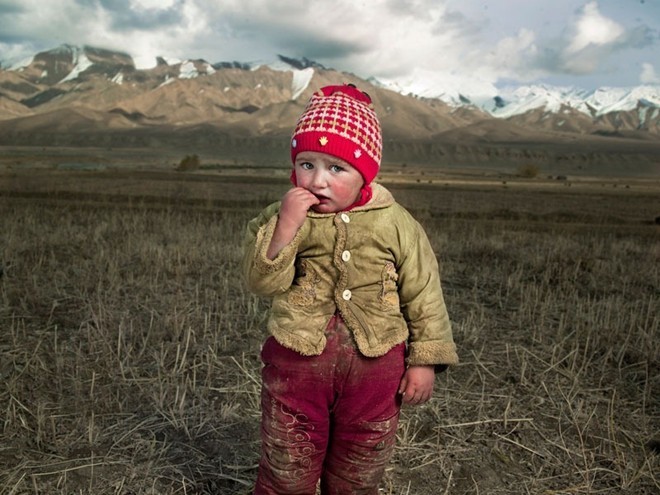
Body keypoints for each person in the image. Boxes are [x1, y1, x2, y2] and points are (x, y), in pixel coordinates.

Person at [242, 83, 458, 494]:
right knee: (287, 466)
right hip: (296, 367)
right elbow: (261, 281)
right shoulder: (279, 216)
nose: (317, 180)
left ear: (365, 175)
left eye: (336, 168)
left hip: (377, 371)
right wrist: (286, 227)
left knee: (359, 470)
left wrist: (424, 360)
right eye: (306, 163)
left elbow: (424, 294)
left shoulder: (397, 223)